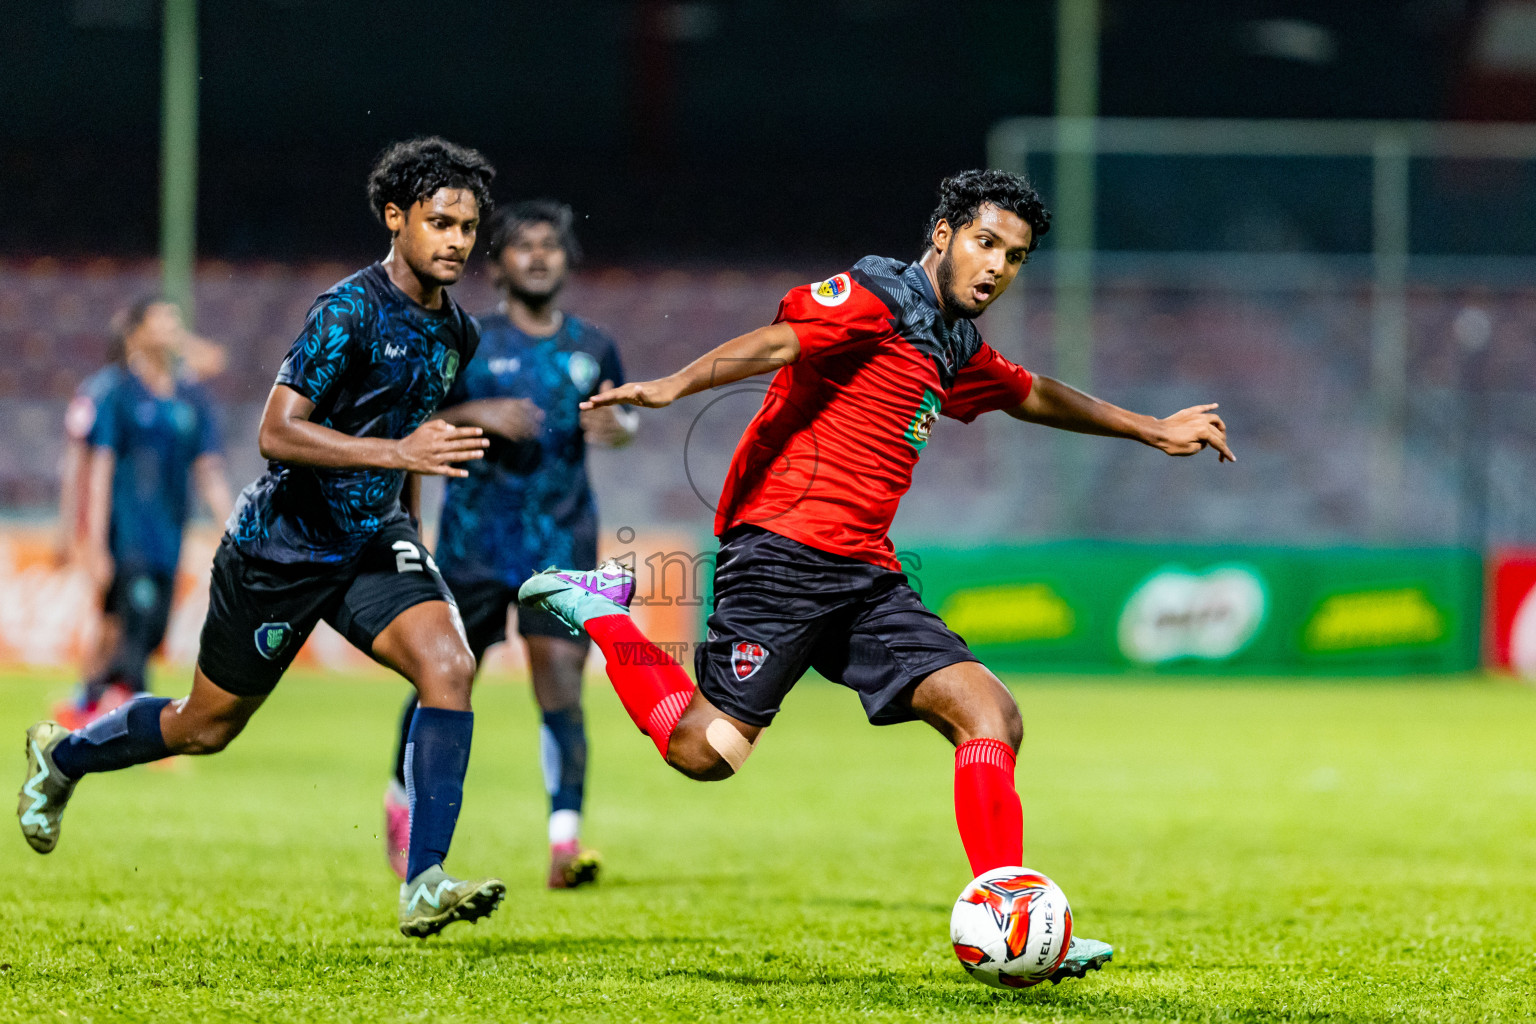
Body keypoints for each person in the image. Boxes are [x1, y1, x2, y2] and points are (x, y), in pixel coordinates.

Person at [518, 169, 1235, 982]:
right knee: (705, 754)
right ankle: (603, 612)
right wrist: (678, 384)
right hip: (780, 553)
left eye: (1016, 256)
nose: (998, 267)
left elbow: (1029, 392)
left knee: (990, 714)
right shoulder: (878, 295)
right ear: (943, 235)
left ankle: (1012, 910)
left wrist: (1151, 428)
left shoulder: (955, 342)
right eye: (985, 243)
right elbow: (780, 341)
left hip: (865, 573)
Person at [19, 137, 505, 939]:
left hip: (373, 538)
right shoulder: (347, 310)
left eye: (466, 227)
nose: (456, 240)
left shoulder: (458, 334)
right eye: (439, 222)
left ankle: (423, 880)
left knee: (449, 664)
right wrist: (395, 455)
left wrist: (409, 526)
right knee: (205, 726)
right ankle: (63, 758)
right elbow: (277, 433)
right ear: (396, 219)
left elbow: (410, 432)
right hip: (281, 546)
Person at [383, 200, 635, 887]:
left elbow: (622, 412)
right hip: (472, 543)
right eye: (523, 246)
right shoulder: (467, 340)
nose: (538, 256)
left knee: (560, 685)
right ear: (497, 264)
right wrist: (475, 412)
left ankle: (565, 841)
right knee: (444, 674)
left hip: (561, 538)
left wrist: (624, 427)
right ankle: (401, 799)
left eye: (550, 245)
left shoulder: (593, 345)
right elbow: (413, 418)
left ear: (566, 260)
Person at [53, 298, 232, 729]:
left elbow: (208, 469)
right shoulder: (114, 392)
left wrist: (232, 528)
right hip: (126, 531)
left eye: (176, 321)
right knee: (133, 627)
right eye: (162, 322)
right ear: (136, 334)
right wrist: (89, 540)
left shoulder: (190, 398)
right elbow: (97, 469)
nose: (172, 329)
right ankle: (139, 728)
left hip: (169, 535)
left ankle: (86, 703)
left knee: (140, 632)